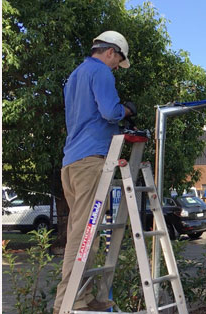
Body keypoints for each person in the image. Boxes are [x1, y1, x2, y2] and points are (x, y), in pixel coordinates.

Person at [53, 30, 136, 313]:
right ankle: (69, 301)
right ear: (111, 52)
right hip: (90, 161)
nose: (116, 67)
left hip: (73, 161)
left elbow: (85, 116)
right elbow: (110, 112)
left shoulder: (75, 76)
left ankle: (83, 297)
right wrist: (126, 110)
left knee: (87, 231)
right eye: (118, 61)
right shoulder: (101, 72)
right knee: (83, 234)